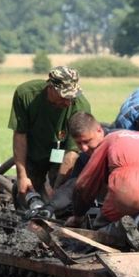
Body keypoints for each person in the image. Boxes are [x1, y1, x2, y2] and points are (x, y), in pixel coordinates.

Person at [70, 117, 139, 245]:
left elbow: (84, 185)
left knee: (99, 233)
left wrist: (78, 216)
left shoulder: (110, 139)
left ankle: (122, 229)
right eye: (79, 143)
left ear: (100, 131)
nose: (84, 148)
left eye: (87, 141)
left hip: (127, 189)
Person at [9, 66, 92, 198]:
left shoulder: (80, 106)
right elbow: (20, 135)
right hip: (35, 151)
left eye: (71, 97)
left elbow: (72, 152)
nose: (68, 102)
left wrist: (57, 194)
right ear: (51, 88)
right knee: (28, 192)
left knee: (64, 190)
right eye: (64, 97)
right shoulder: (26, 94)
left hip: (62, 153)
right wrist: (22, 176)